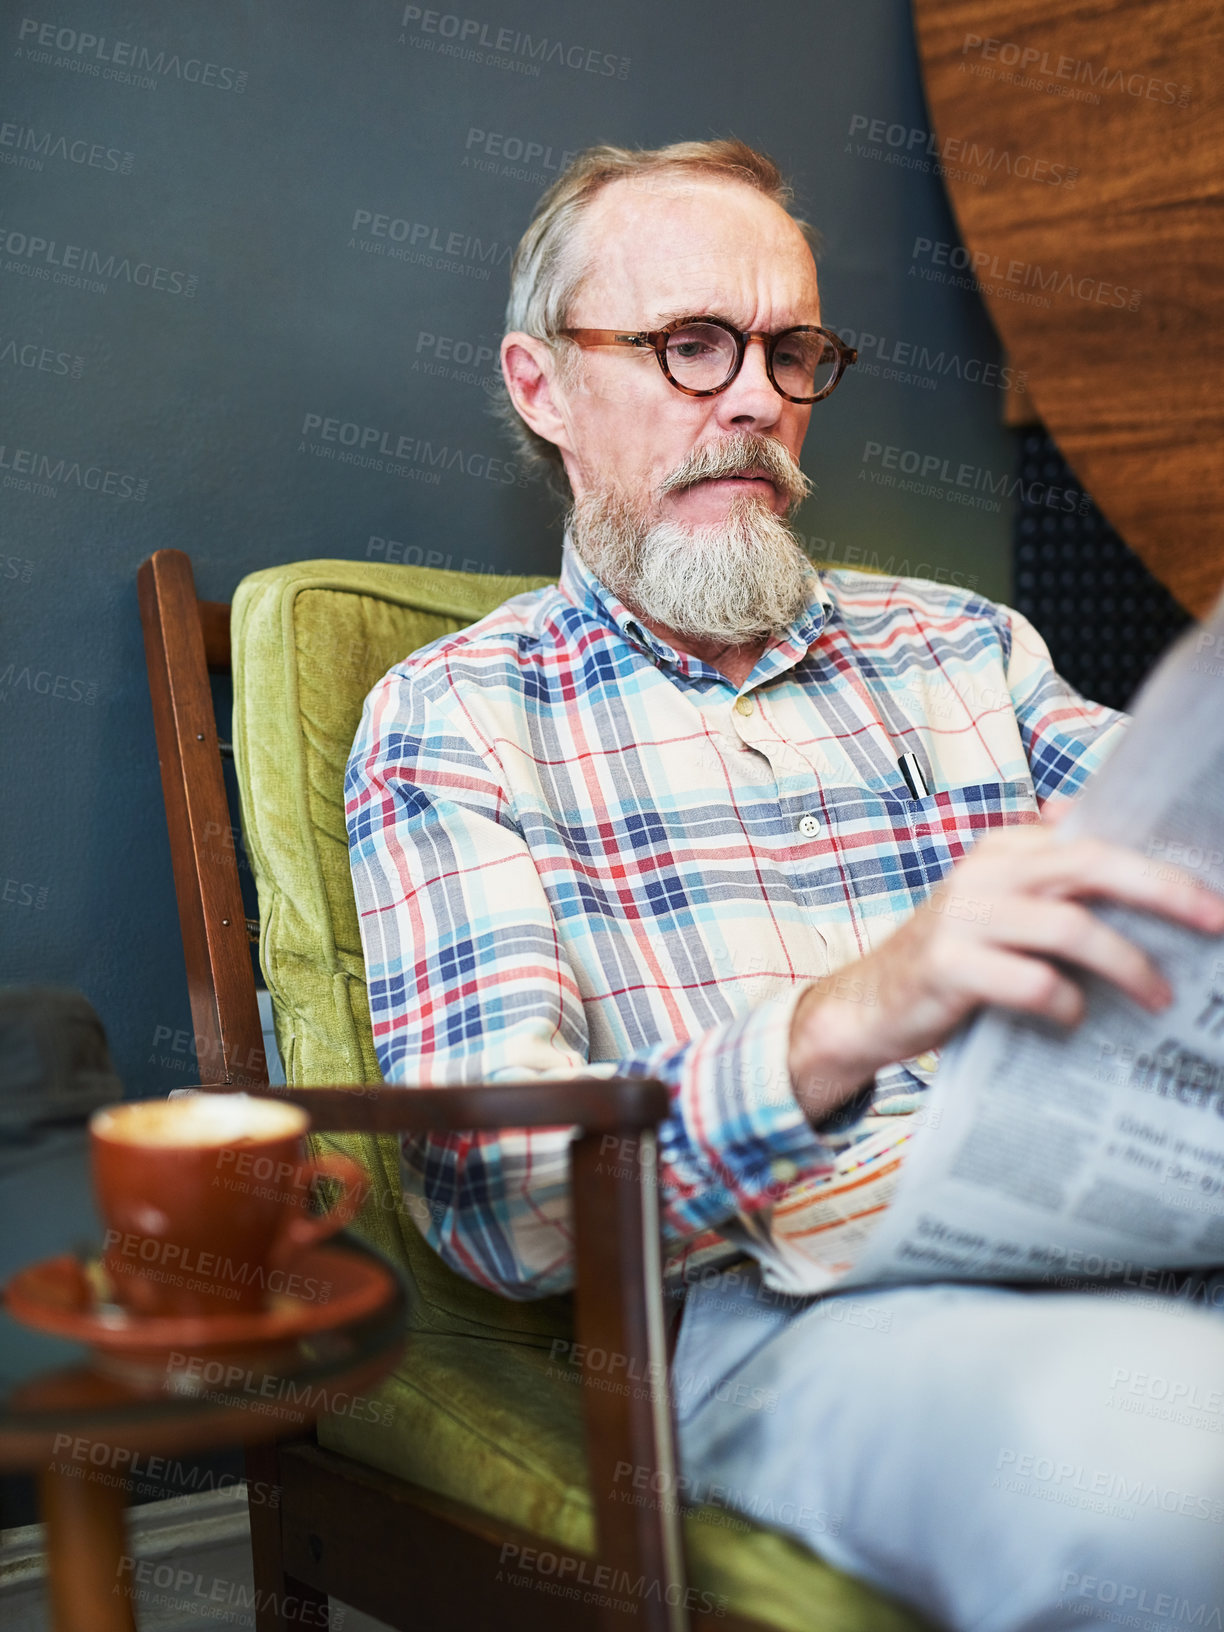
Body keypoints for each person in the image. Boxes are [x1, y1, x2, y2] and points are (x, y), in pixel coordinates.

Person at [346, 140, 1224, 1631]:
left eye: (789, 351)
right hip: (808, 1317)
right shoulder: (462, 714)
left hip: (1151, 1243)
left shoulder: (970, 649)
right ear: (542, 384)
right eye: (689, 345)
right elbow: (496, 1204)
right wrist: (851, 1017)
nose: (754, 398)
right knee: (1174, 1493)